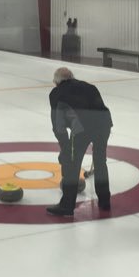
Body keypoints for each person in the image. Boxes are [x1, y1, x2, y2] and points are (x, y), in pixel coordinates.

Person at [45, 68, 113, 217]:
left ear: (56, 82)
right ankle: (105, 201)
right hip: (104, 124)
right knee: (100, 161)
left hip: (82, 129)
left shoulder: (56, 94)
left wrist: (65, 149)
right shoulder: (89, 86)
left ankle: (66, 206)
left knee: (72, 165)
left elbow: (59, 127)